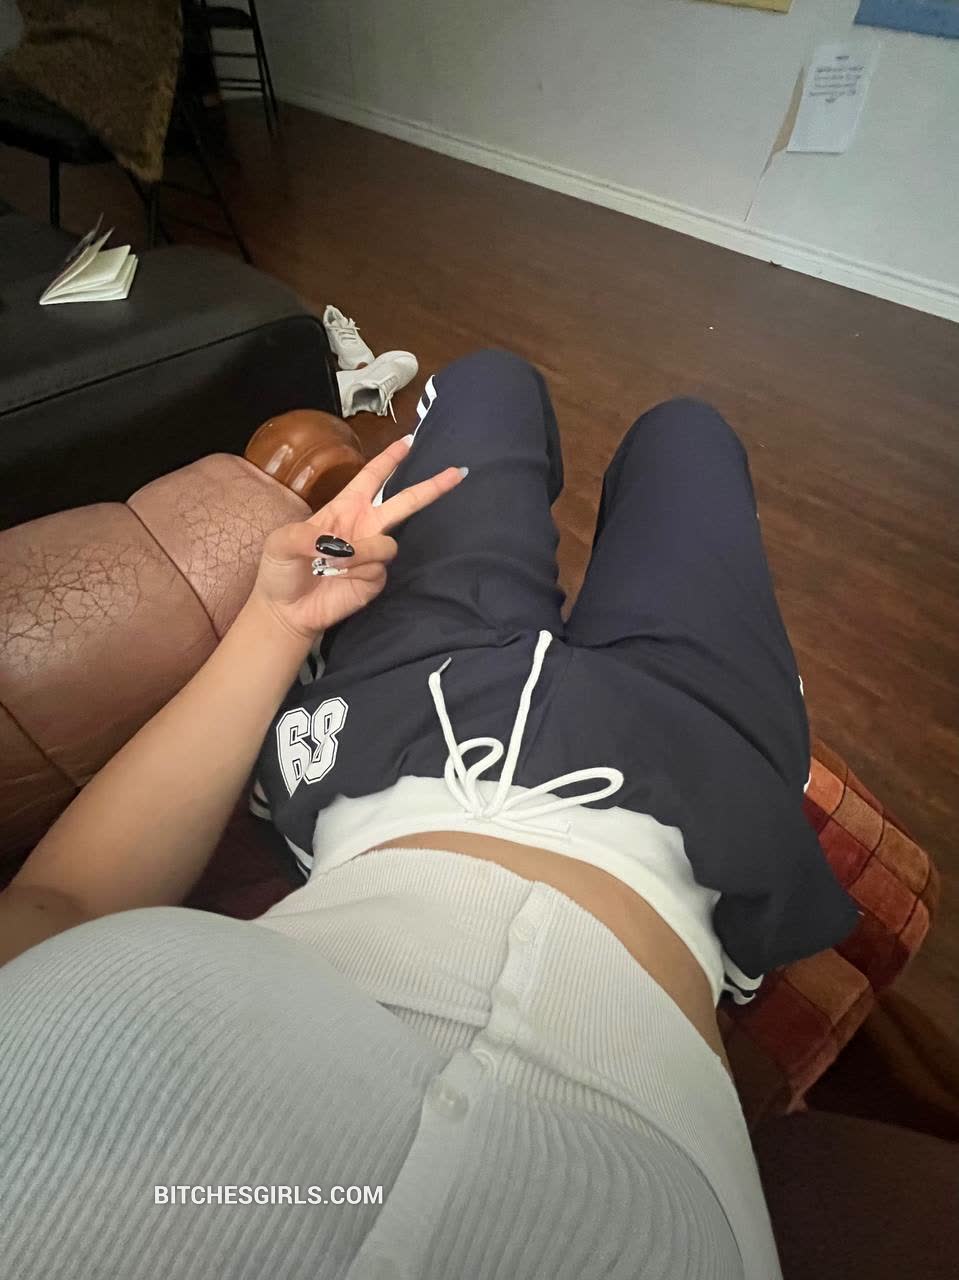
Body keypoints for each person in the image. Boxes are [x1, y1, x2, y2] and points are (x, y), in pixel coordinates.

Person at [0, 350, 857, 1280]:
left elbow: (64, 901)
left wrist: (276, 623)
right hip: (702, 796)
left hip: (385, 733)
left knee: (489, 381)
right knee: (689, 435)